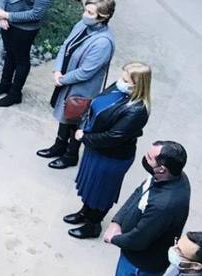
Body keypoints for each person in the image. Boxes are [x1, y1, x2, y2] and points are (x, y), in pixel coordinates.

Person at [91, 141, 192, 276]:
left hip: (140, 264)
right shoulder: (165, 176)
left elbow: (138, 240)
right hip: (132, 254)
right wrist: (117, 221)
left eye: (149, 157)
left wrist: (113, 238)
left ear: (162, 169)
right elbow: (140, 192)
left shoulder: (164, 205)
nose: (145, 158)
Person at [65, 62, 152, 239]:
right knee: (90, 184)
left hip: (111, 156)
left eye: (126, 78)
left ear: (136, 84)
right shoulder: (119, 89)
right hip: (95, 148)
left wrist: (84, 137)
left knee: (101, 190)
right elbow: (93, 107)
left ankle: (93, 225)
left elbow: (114, 136)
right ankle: (85, 212)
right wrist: (83, 126)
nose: (121, 80)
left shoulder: (137, 110)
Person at [38, 0, 117, 169]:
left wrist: (62, 79)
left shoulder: (103, 42)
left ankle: (70, 155)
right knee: (64, 116)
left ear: (102, 18)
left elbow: (86, 72)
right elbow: (66, 45)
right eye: (86, 10)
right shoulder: (83, 25)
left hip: (81, 89)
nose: (85, 15)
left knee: (74, 120)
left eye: (90, 12)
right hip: (65, 81)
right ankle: (59, 146)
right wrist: (57, 70)